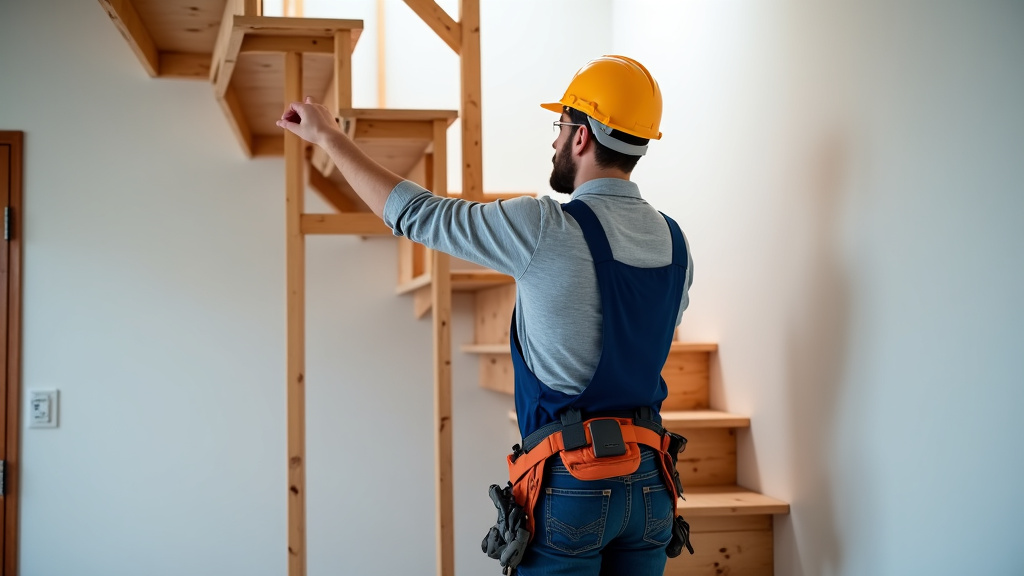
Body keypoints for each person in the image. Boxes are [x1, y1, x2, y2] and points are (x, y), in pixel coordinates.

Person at [277, 55, 694, 576]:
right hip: (654, 483)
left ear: (582, 136)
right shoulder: (676, 243)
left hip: (574, 482)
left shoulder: (542, 226)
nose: (555, 141)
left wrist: (329, 138)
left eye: (560, 126)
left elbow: (416, 214)